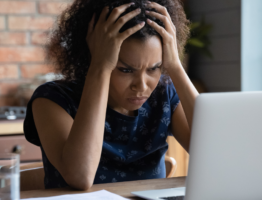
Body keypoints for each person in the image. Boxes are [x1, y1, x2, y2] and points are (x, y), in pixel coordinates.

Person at [23, 0, 199, 190]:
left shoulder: (164, 94)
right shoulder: (52, 99)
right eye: (125, 70)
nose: (141, 86)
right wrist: (99, 67)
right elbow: (80, 177)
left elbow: (218, 155)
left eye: (154, 68)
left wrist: (175, 66)